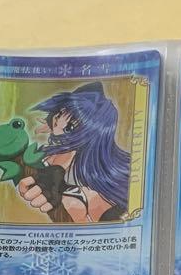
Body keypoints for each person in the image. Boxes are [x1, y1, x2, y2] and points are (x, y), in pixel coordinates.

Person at [15, 82, 131, 223]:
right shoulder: (55, 147)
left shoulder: (73, 153)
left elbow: (60, 166)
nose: (58, 121)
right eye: (59, 114)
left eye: (69, 127)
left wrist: (51, 179)